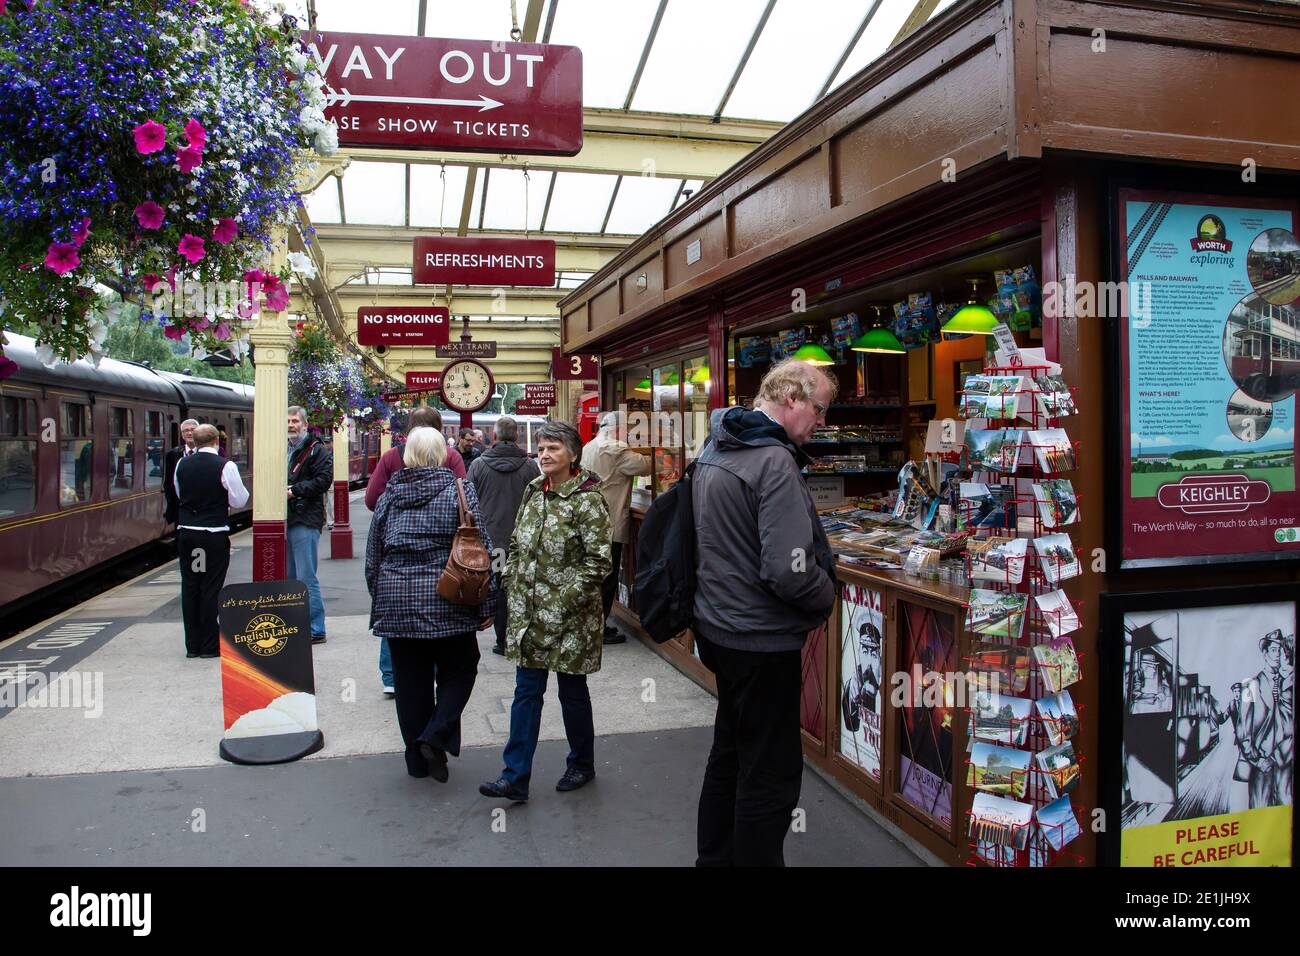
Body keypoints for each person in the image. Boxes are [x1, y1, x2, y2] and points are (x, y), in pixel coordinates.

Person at [690, 358, 838, 866]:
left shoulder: (717, 444)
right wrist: (826, 594)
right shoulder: (774, 460)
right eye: (818, 409)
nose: (820, 422)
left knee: (729, 754)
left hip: (720, 630)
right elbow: (789, 570)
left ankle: (713, 859)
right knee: (769, 776)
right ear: (791, 397)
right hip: (762, 639)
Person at [480, 421, 610, 802]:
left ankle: (581, 764)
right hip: (529, 615)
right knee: (526, 693)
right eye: (540, 448)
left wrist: (562, 602)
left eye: (553, 448)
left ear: (573, 454)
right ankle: (514, 777)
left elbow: (598, 563)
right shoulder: (534, 491)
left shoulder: (588, 499)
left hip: (572, 620)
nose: (544, 454)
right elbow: (517, 542)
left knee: (572, 693)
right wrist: (512, 583)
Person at [366, 427, 495, 782]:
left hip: (397, 598)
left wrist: (381, 597)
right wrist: (486, 606)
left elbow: (373, 553)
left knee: (410, 683)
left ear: (407, 456)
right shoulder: (460, 490)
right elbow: (480, 547)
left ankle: (416, 761)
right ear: (443, 454)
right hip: (448, 596)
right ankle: (436, 735)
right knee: (462, 667)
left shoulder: (390, 493)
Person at [365, 407, 467, 694]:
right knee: (440, 618)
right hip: (443, 560)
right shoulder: (453, 458)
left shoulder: (391, 459)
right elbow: (465, 504)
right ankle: (435, 672)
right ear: (439, 428)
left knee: (396, 615)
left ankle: (391, 676)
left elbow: (373, 500)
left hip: (396, 562)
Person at [466, 416, 540, 656]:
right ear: (517, 436)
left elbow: (468, 501)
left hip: (491, 540)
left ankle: (502, 638)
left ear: (494, 437)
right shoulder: (530, 466)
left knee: (498, 586)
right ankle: (519, 634)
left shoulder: (478, 465)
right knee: (520, 586)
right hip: (522, 538)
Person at [175, 424, 249, 658]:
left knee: (190, 587)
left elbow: (179, 493)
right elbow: (239, 500)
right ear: (217, 441)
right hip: (213, 533)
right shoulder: (225, 466)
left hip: (187, 532)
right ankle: (209, 645)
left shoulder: (182, 464)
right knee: (210, 587)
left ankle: (192, 645)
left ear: (194, 442)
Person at [580, 410, 651, 645]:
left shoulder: (590, 446)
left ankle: (589, 625)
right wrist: (667, 455)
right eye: (627, 430)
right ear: (618, 429)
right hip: (608, 522)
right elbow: (645, 466)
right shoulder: (616, 448)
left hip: (590, 522)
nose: (629, 435)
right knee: (607, 577)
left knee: (595, 576)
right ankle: (598, 629)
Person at [286, 406, 332, 645]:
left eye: (295, 421)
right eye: (288, 421)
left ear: (304, 424)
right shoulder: (282, 449)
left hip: (305, 517)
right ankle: (295, 624)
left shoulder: (316, 451)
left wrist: (295, 491)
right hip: (284, 518)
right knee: (290, 576)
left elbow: (324, 480)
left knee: (306, 575)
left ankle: (316, 627)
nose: (291, 425)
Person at [1233, 629, 1294, 809]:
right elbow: (1243, 729)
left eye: (1280, 650)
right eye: (1273, 650)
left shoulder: (1288, 682)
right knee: (1260, 812)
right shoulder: (1250, 685)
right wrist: (1258, 760)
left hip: (1285, 762)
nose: (1277, 655)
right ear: (1265, 653)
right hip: (1263, 764)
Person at [163, 418, 198, 526]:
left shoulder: (208, 453)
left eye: (193, 430)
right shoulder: (173, 454)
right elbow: (168, 483)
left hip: (202, 508)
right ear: (182, 435)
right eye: (185, 431)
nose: (189, 433)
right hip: (181, 509)